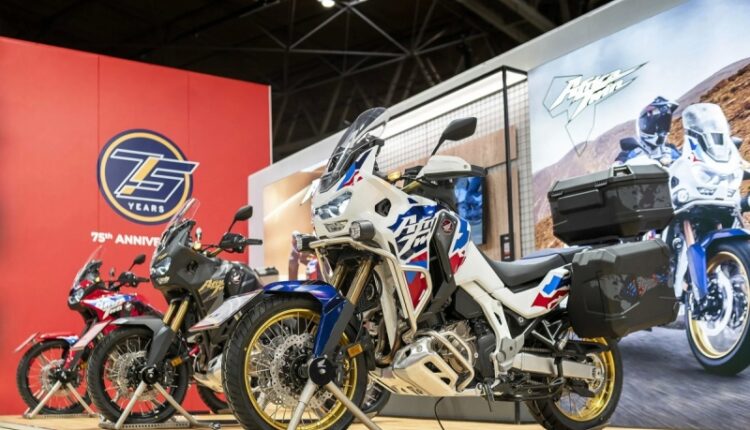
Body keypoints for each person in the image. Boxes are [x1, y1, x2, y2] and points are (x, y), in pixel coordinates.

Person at [615, 96, 680, 165]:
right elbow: (616, 167)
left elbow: (684, 163)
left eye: (663, 125)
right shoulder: (631, 153)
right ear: (644, 124)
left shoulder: (670, 151)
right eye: (657, 125)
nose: (661, 130)